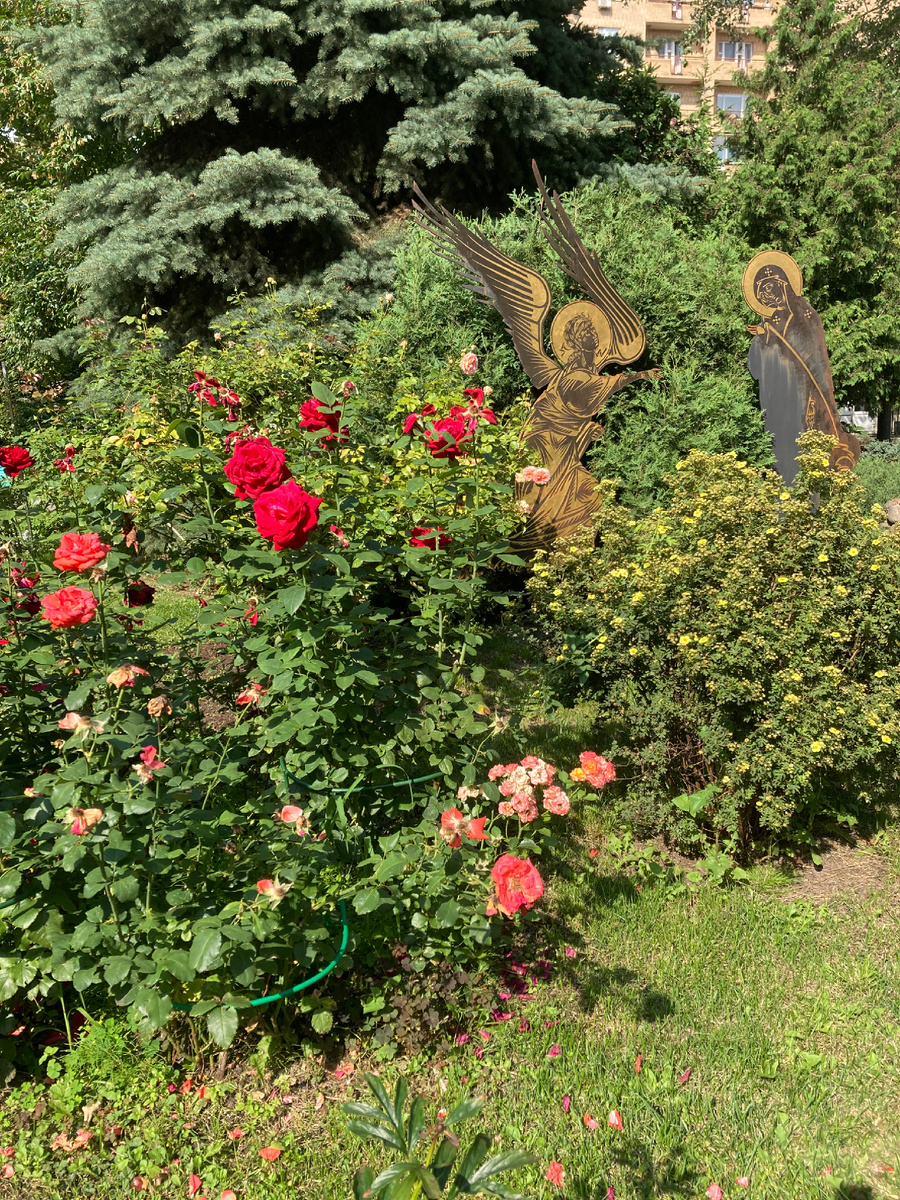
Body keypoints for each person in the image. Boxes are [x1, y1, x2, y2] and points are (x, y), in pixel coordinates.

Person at [744, 251, 860, 482]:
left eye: (769, 289)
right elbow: (755, 370)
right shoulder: (766, 324)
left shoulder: (806, 317)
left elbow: (813, 359)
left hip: (803, 399)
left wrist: (771, 337)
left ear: (783, 286)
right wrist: (761, 340)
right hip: (776, 401)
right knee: (779, 453)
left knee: (803, 455)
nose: (766, 297)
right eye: (761, 294)